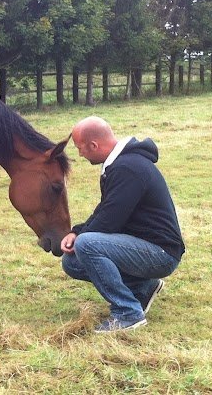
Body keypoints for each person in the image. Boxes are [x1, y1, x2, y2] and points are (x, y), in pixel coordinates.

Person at [61, 116, 185, 333]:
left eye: (80, 148)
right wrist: (76, 232)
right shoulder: (122, 164)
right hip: (143, 246)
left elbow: (109, 220)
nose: (80, 154)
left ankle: (127, 313)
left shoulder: (128, 167)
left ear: (93, 145)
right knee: (71, 262)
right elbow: (107, 209)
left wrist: (82, 238)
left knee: (87, 245)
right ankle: (143, 288)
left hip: (161, 253)